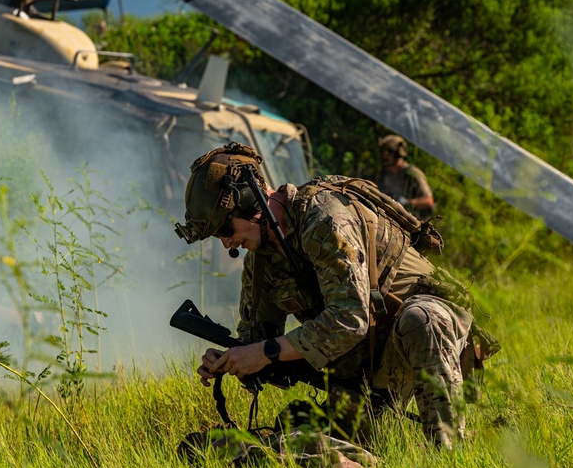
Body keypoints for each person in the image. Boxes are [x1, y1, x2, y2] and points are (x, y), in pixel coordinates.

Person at [174, 142, 498, 449]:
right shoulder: (261, 264)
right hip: (365, 371)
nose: (226, 243)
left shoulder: (324, 217)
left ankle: (447, 455)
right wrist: (231, 359)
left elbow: (350, 318)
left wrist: (267, 351)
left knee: (421, 318)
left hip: (427, 338)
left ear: (251, 202)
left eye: (226, 230)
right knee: (335, 452)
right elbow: (257, 346)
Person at [377, 134, 435, 220]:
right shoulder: (385, 174)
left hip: (411, 221)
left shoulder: (412, 173)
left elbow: (429, 201)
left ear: (398, 153)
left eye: (389, 152)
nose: (385, 156)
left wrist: (407, 202)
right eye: (383, 152)